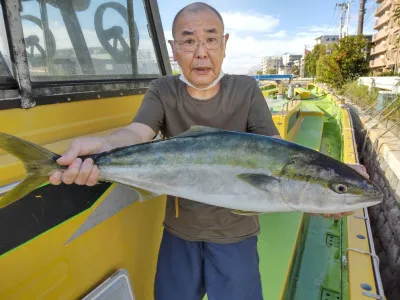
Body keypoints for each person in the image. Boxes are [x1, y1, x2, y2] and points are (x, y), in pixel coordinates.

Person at [49, 2, 368, 299]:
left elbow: (276, 149)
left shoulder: (246, 89)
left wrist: (330, 186)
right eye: (188, 41)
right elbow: (136, 132)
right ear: (174, 50)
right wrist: (102, 147)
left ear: (225, 44)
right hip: (179, 235)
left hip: (237, 238)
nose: (201, 53)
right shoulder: (163, 90)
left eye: (211, 39)